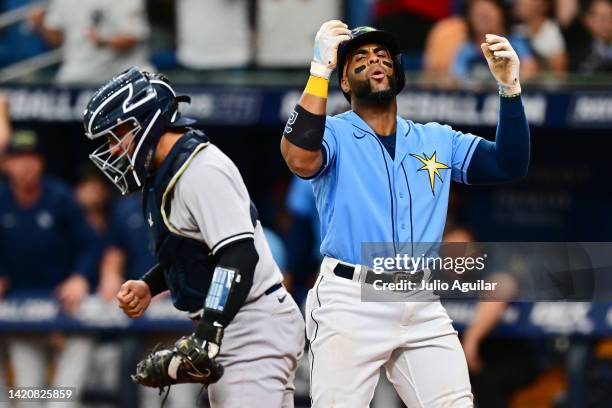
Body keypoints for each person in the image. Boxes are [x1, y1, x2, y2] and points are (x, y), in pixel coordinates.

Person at [280, 20, 530, 407]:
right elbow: (298, 156)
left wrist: (510, 89)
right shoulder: (333, 132)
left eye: (382, 56)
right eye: (359, 58)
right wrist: (318, 73)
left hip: (419, 296)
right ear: (345, 82)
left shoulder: (435, 138)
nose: (374, 61)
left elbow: (509, 164)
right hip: (351, 297)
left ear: (397, 72)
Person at [83, 67, 305, 406]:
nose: (113, 150)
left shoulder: (201, 170)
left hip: (253, 325)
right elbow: (195, 254)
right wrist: (149, 284)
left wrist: (208, 333)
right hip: (239, 323)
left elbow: (238, 256)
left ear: (146, 123)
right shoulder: (166, 172)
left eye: (118, 135)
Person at [0, 129, 98, 407]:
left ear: (41, 162)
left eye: (32, 157)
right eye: (18, 158)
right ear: (6, 164)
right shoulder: (2, 200)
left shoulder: (61, 197)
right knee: (30, 395)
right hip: (21, 310)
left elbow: (90, 245)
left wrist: (79, 277)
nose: (26, 165)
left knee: (62, 401)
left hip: (66, 306)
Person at [28, 0, 151, 84]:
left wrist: (103, 41)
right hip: (78, 71)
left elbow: (133, 37)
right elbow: (57, 40)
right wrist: (40, 24)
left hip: (122, 72)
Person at [452, 0, 538, 81]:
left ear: (501, 14)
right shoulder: (466, 50)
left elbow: (529, 73)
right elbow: (457, 79)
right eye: (478, 15)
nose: (484, 21)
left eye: (487, 15)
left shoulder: (518, 44)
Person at [513, 0, 568, 77]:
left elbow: (560, 71)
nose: (520, 3)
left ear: (542, 4)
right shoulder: (517, 30)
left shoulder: (551, 31)